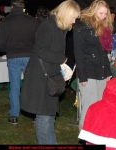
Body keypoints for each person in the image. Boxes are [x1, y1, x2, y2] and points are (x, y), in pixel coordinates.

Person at [20, 0, 80, 144]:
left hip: (50, 75)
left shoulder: (60, 27)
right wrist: (62, 58)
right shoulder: (48, 25)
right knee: (44, 118)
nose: (73, 21)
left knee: (49, 117)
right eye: (72, 17)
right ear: (65, 14)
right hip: (41, 77)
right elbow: (40, 50)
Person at [73, 0, 113, 129]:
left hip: (101, 70)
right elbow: (78, 53)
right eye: (101, 13)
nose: (103, 16)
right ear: (93, 11)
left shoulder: (104, 28)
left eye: (105, 14)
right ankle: (85, 134)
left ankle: (98, 133)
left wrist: (107, 72)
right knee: (89, 105)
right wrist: (82, 76)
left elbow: (104, 53)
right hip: (88, 70)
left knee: (101, 104)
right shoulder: (81, 27)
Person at [0, 0, 38, 126]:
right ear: (23, 7)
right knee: (31, 86)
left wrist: (8, 49)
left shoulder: (6, 21)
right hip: (29, 56)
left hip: (13, 56)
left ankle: (14, 115)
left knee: (15, 87)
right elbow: (38, 40)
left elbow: (0, 44)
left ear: (12, 7)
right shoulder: (32, 21)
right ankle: (35, 114)